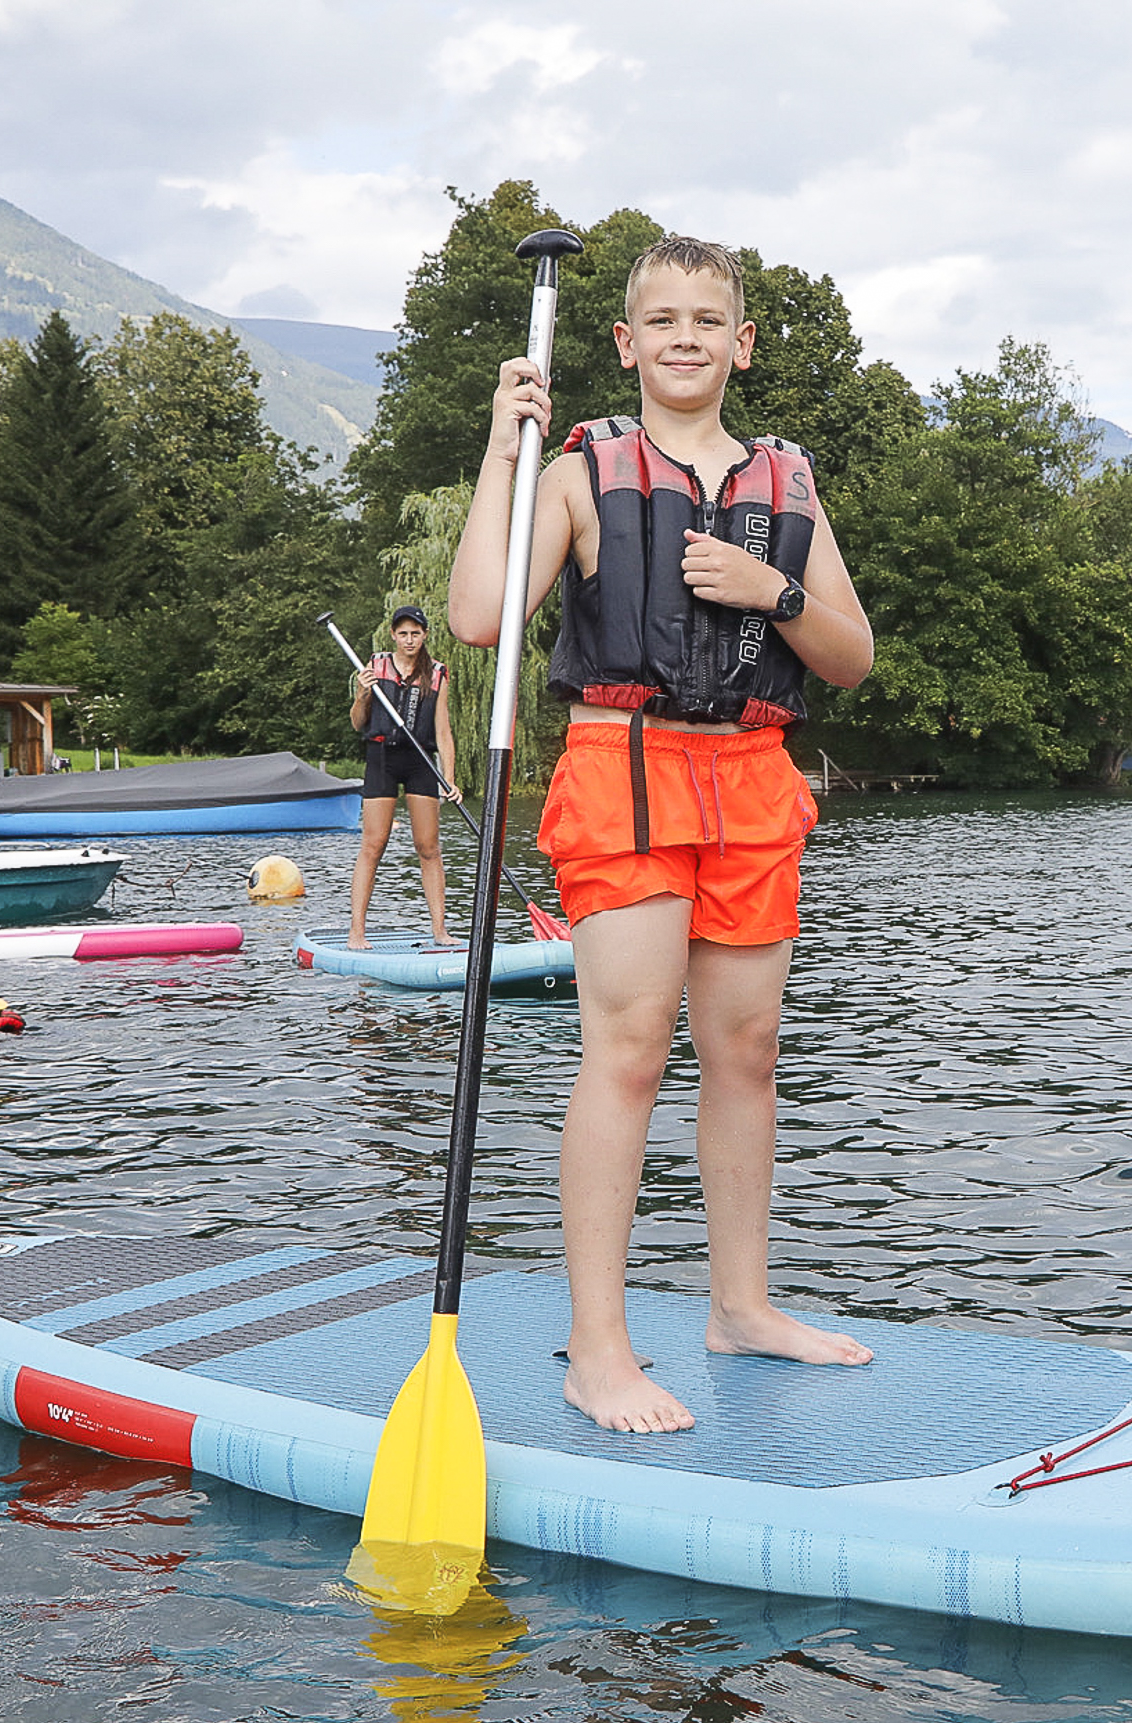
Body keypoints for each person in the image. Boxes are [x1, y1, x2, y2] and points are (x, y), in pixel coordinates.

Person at [449, 234, 878, 1434]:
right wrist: (503, 447)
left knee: (746, 1054)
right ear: (626, 344)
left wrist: (773, 593)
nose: (687, 336)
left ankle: (740, 1304)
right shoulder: (583, 468)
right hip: (625, 768)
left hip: (752, 776)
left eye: (710, 319)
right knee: (631, 1048)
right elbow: (480, 616)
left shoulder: (788, 482)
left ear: (740, 345)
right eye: (663, 320)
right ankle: (598, 1347)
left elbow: (851, 655)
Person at [347, 605, 461, 949]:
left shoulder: (437, 673)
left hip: (420, 760)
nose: (409, 639)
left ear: (424, 635)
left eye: (415, 633)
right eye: (403, 633)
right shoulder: (376, 666)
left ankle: (440, 931)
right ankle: (357, 932)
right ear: (393, 636)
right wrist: (363, 692)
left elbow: (443, 731)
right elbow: (356, 722)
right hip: (382, 757)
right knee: (373, 844)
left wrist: (449, 779)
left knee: (428, 847)